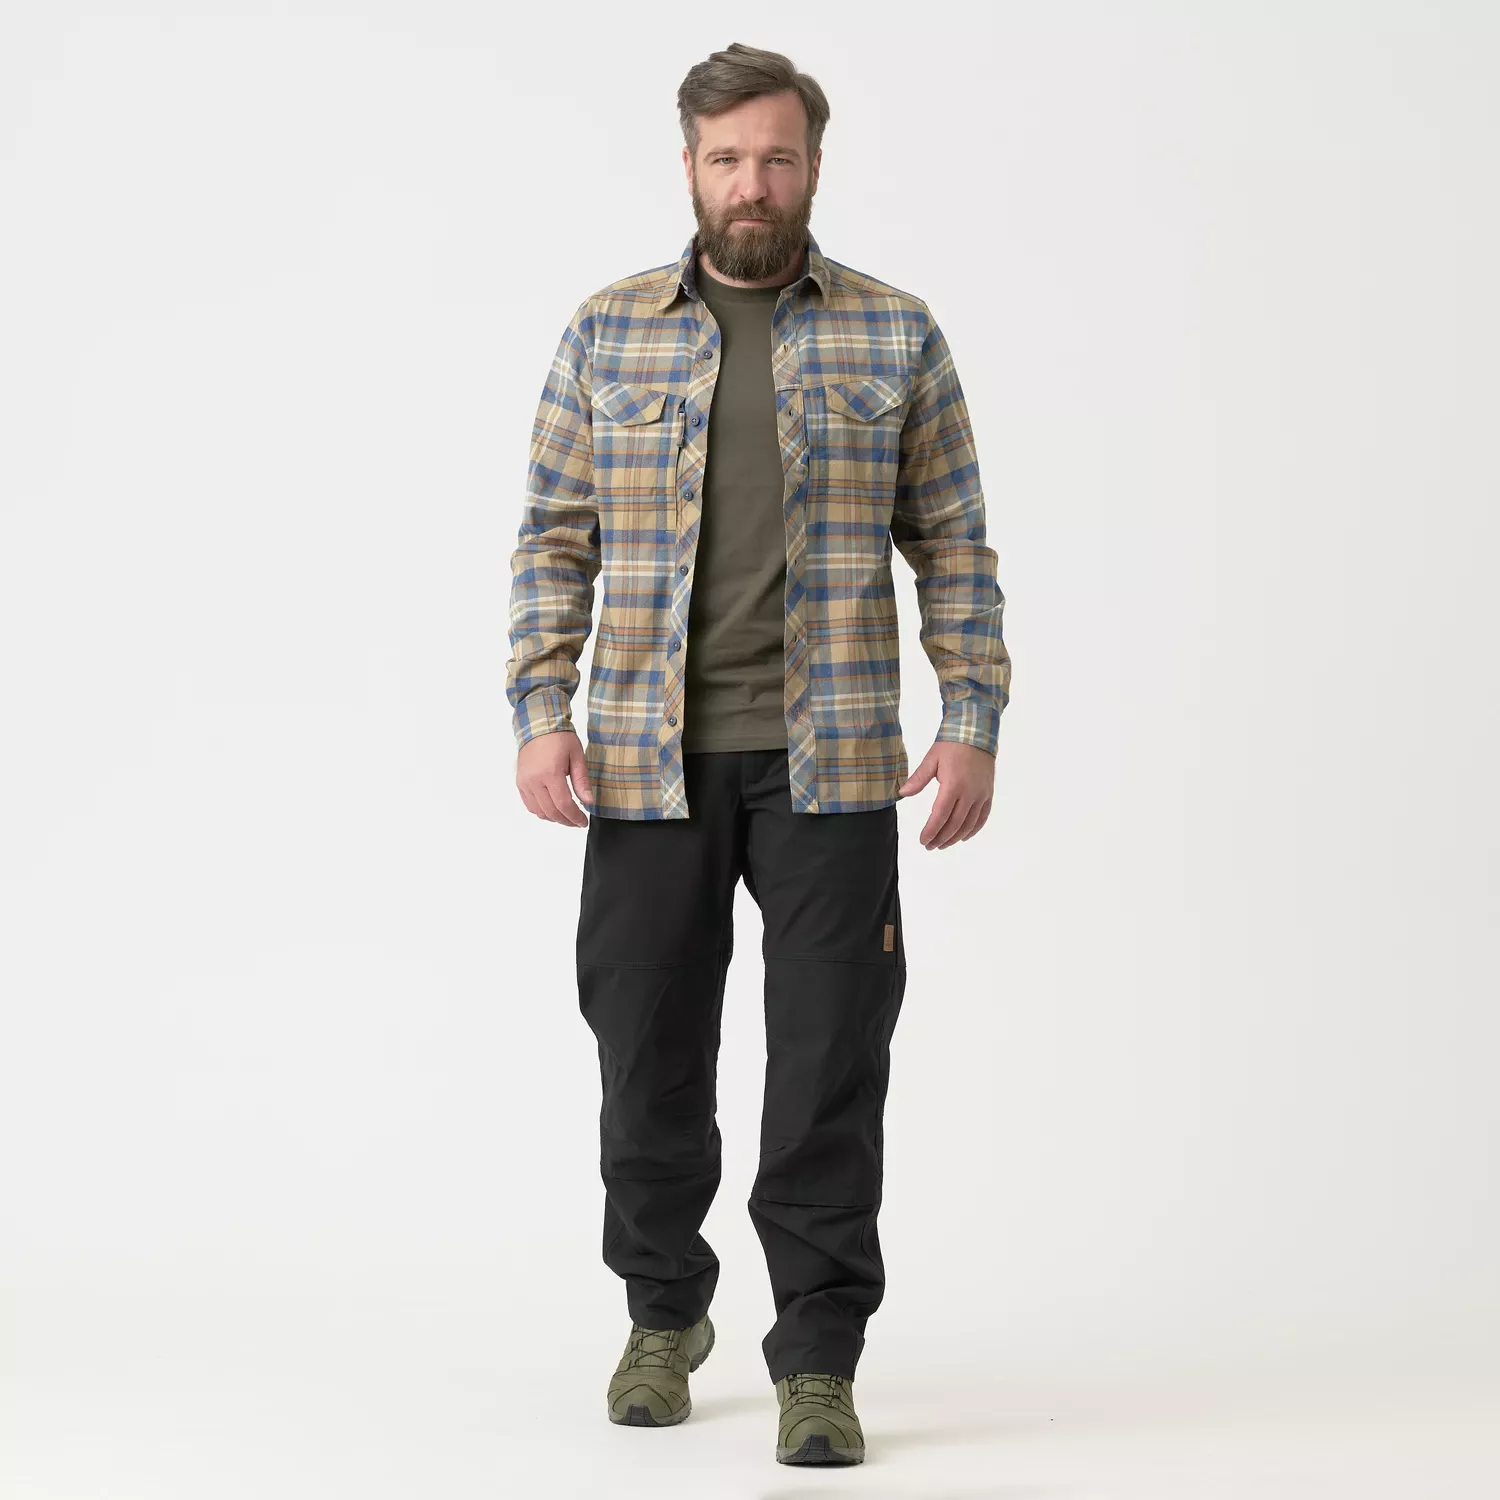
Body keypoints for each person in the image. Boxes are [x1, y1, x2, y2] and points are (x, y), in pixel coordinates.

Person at [504, 41, 1011, 1467]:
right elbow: (552, 538)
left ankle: (819, 1360)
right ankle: (663, 1317)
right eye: (727, 158)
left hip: (833, 765)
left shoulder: (895, 333)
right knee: (645, 1056)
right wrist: (541, 709)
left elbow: (956, 543)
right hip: (645, 764)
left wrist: (970, 719)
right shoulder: (607, 332)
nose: (753, 183)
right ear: (689, 167)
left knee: (830, 1065)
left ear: (813, 167)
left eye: (777, 158)